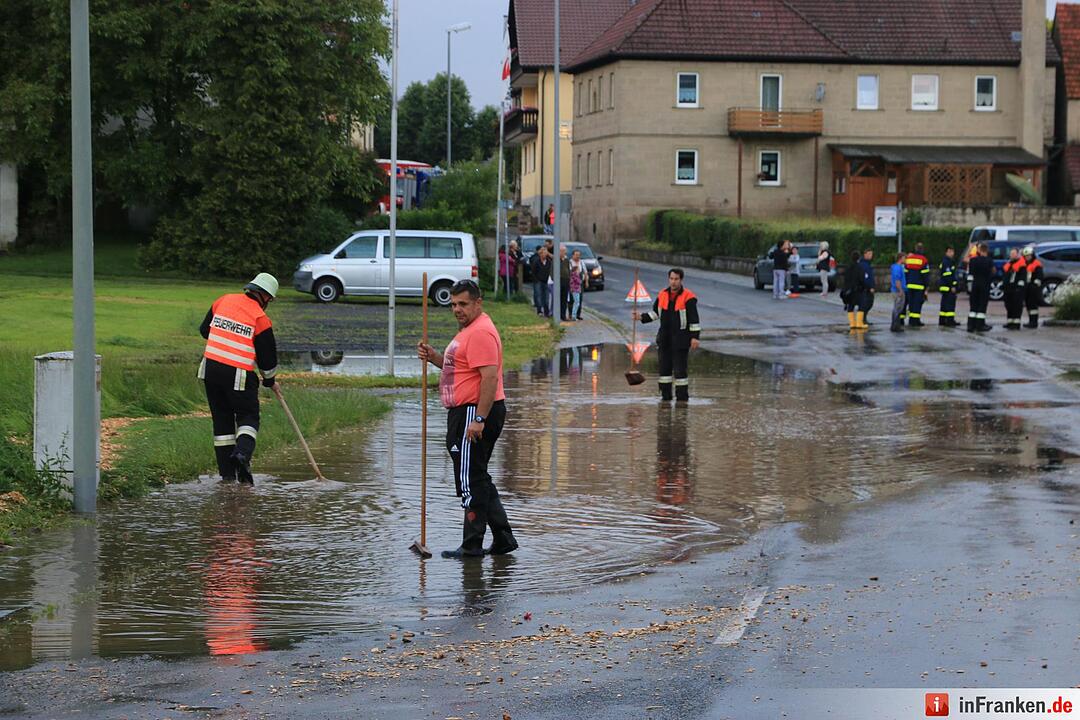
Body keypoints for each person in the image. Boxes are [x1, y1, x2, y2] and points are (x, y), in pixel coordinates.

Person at [417, 280, 518, 559]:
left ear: (477, 302)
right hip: (467, 411)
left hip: (475, 411)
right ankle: (503, 538)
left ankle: (472, 544)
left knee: (470, 479)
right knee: (478, 476)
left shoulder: (481, 332)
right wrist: (436, 358)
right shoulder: (469, 330)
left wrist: (480, 418)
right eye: (453, 304)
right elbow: (462, 369)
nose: (457, 310)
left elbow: (489, 377)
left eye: (462, 304)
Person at [198, 273, 279, 484]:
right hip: (238, 374)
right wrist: (269, 380)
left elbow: (204, 330)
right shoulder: (260, 318)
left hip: (210, 369)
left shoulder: (223, 300)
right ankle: (242, 454)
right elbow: (267, 359)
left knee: (222, 421)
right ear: (266, 297)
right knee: (248, 416)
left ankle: (227, 475)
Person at [633, 268, 701, 401]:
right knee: (664, 372)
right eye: (671, 279)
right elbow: (655, 314)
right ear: (668, 279)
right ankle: (665, 400)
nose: (673, 282)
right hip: (664, 338)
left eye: (676, 279)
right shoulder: (662, 295)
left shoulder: (689, 297)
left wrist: (695, 337)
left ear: (681, 280)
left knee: (680, 372)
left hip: (681, 339)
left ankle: (682, 401)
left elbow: (694, 320)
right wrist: (641, 317)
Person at [966, 242, 993, 332]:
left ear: (979, 250)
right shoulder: (989, 261)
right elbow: (991, 273)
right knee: (982, 306)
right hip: (984, 286)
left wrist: (970, 249)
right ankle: (980, 325)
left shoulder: (973, 260)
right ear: (987, 251)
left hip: (975, 285)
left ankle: (970, 325)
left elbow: (966, 262)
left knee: (973, 306)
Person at [902, 242, 930, 327]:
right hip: (919, 286)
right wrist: (927, 286)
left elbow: (906, 272)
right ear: (922, 250)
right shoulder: (923, 260)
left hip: (909, 285)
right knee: (917, 304)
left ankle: (911, 320)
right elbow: (925, 274)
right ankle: (915, 321)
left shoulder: (909, 259)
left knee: (911, 303)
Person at [1001, 247, 1027, 330]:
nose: (1011, 255)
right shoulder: (1009, 264)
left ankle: (1016, 323)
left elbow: (1022, 277)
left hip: (1016, 289)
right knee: (1008, 305)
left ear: (1017, 254)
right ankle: (1010, 322)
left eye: (1013, 254)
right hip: (1008, 289)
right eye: (1011, 254)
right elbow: (1005, 276)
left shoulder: (1022, 265)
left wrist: (1019, 287)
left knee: (1016, 306)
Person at [1022, 245, 1044, 328]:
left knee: (1033, 305)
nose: (1027, 257)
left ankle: (1034, 322)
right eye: (1026, 256)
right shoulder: (1025, 264)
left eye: (1029, 256)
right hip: (1027, 287)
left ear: (1032, 255)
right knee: (1028, 305)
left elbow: (1039, 276)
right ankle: (1031, 321)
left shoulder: (1037, 264)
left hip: (1033, 288)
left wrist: (1035, 285)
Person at [937, 246, 959, 327]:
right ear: (946, 252)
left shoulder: (947, 261)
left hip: (945, 286)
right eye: (950, 251)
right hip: (948, 287)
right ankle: (950, 320)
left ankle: (942, 320)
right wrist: (952, 285)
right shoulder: (947, 262)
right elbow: (948, 276)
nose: (952, 253)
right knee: (950, 304)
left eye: (952, 251)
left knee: (944, 304)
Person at [842, 251, 864, 330]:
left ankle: (852, 323)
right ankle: (859, 323)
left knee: (850, 306)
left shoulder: (848, 267)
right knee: (861, 306)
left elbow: (845, 279)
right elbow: (862, 279)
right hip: (857, 289)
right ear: (859, 258)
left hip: (849, 290)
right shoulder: (860, 267)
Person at [528, 245, 552, 317]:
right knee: (538, 295)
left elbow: (550, 271)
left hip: (546, 281)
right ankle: (539, 310)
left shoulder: (549, 262)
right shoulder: (536, 262)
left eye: (545, 253)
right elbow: (533, 271)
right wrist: (536, 280)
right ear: (540, 254)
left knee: (546, 297)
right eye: (543, 253)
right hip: (538, 281)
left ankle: (546, 311)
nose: (545, 255)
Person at [890, 252, 907, 333]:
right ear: (901, 258)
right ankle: (895, 326)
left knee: (897, 307)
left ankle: (895, 325)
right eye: (904, 258)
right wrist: (900, 290)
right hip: (898, 291)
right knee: (898, 308)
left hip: (896, 290)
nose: (905, 260)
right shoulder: (898, 268)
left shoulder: (896, 267)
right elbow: (897, 280)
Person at [568, 248, 587, 321]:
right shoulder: (570, 262)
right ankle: (571, 314)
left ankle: (578, 314)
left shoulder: (581, 262)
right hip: (572, 284)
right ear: (573, 255)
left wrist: (586, 281)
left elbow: (585, 272)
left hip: (580, 283)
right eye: (576, 255)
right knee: (572, 300)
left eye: (579, 255)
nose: (578, 256)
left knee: (579, 299)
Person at [859, 248, 876, 326]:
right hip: (866, 288)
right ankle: (862, 319)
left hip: (868, 287)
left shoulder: (868, 264)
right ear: (865, 254)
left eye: (871, 254)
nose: (870, 256)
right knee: (866, 303)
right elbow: (865, 277)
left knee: (869, 303)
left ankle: (864, 319)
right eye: (869, 254)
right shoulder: (863, 264)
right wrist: (870, 287)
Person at [558, 246, 571, 321]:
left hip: (566, 281)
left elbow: (568, 269)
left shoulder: (566, 260)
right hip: (559, 280)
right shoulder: (556, 259)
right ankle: (557, 314)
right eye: (562, 251)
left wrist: (569, 278)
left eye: (564, 251)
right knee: (558, 299)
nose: (564, 253)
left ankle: (563, 315)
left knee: (564, 299)